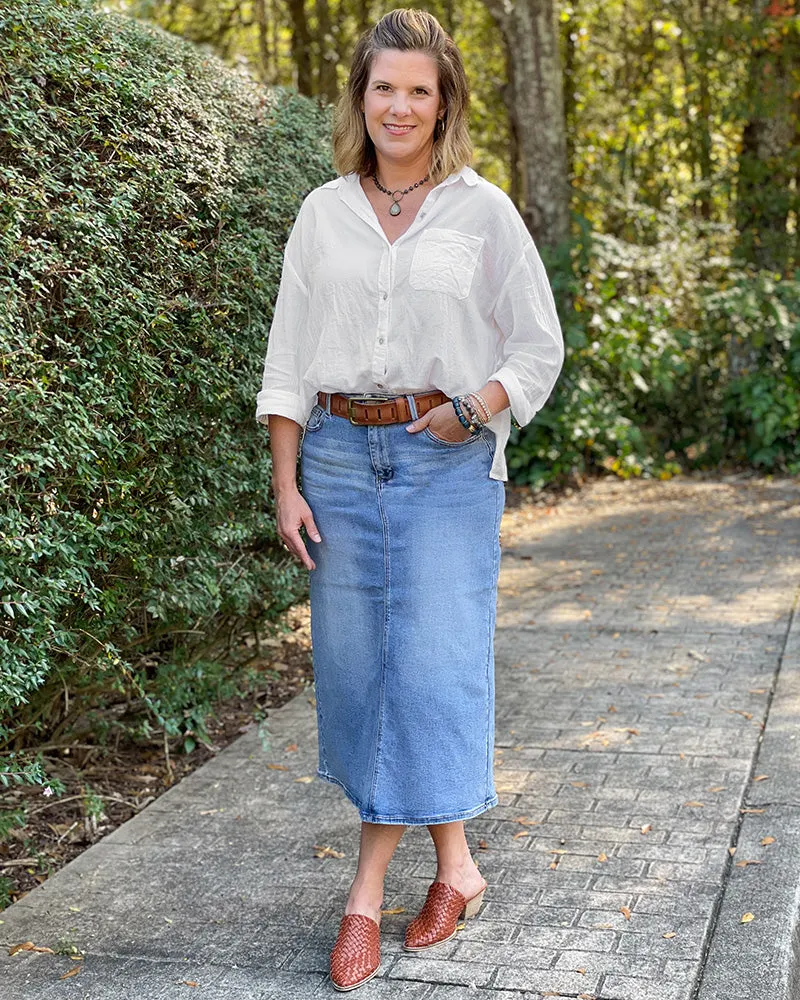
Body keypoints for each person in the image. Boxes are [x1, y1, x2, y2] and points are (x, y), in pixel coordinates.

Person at [255, 7, 564, 991]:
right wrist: (284, 479)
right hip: (338, 459)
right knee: (358, 673)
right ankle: (459, 869)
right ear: (360, 99)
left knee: (428, 670)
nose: (398, 105)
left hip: (442, 464)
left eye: (416, 90)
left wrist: (474, 407)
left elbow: (536, 348)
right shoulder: (321, 213)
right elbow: (286, 358)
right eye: (381, 87)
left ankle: (361, 896)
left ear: (443, 106)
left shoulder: (480, 211)